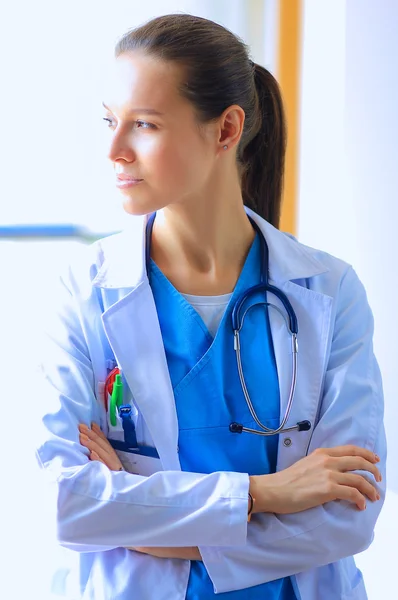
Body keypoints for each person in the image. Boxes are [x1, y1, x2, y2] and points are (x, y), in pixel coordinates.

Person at [35, 13, 386, 600]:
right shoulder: (85, 289)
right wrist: (267, 494)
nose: (114, 150)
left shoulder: (328, 290)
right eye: (108, 122)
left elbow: (345, 513)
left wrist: (140, 518)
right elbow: (66, 504)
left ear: (225, 131)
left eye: (143, 125)